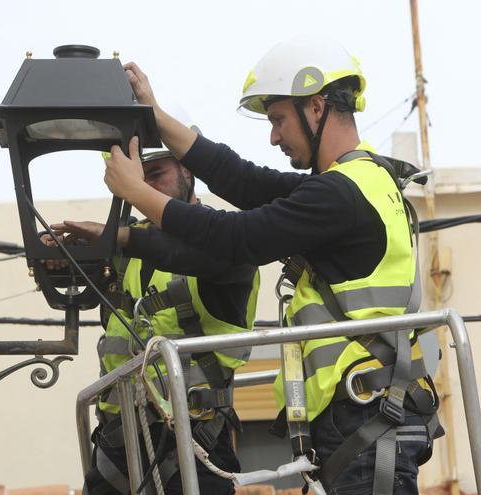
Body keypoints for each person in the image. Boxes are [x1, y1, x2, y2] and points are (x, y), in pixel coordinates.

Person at [102, 37, 442, 494]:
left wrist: (138, 193)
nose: (274, 136)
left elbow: (238, 239)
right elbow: (243, 180)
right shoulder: (359, 181)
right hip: (370, 413)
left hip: (369, 416)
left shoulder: (338, 195)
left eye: (279, 119)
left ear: (317, 107)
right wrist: (157, 117)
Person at [45, 141, 260, 494]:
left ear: (187, 169)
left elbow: (201, 252)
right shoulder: (121, 254)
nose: (142, 188)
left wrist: (122, 238)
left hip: (195, 444)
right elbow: (76, 274)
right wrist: (56, 256)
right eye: (134, 179)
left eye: (155, 174)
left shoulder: (225, 244)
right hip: (118, 445)